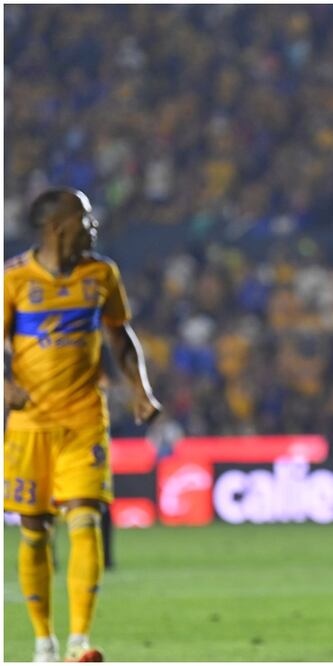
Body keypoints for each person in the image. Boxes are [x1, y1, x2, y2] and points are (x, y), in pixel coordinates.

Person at [4, 188, 161, 662]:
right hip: (30, 424)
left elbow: (120, 334)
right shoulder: (14, 279)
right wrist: (6, 385)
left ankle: (78, 642)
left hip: (84, 418)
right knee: (34, 530)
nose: (93, 226)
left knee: (86, 517)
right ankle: (43, 643)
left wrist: (140, 388)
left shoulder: (101, 274)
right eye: (85, 218)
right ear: (57, 226)